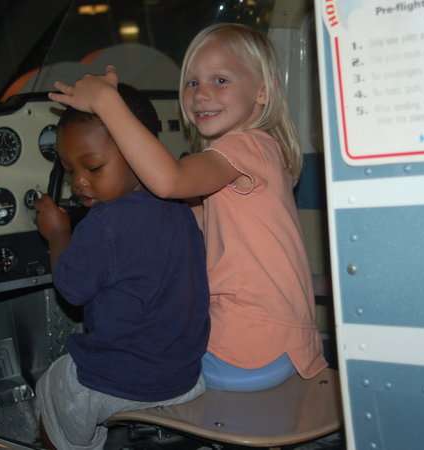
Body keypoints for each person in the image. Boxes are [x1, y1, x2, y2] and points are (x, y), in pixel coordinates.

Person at [48, 23, 327, 392]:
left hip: (247, 347)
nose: (201, 94)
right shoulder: (266, 152)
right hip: (286, 343)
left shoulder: (241, 147)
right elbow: (186, 220)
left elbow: (169, 181)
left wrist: (106, 103)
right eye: (192, 83)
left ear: (263, 91)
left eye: (220, 80)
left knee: (130, 367)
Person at [34, 83, 210, 450]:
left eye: (93, 167)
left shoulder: (104, 223)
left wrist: (58, 234)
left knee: (53, 383)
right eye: (69, 170)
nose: (79, 182)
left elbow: (71, 288)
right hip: (185, 379)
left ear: (137, 151)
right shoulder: (182, 209)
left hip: (119, 383)